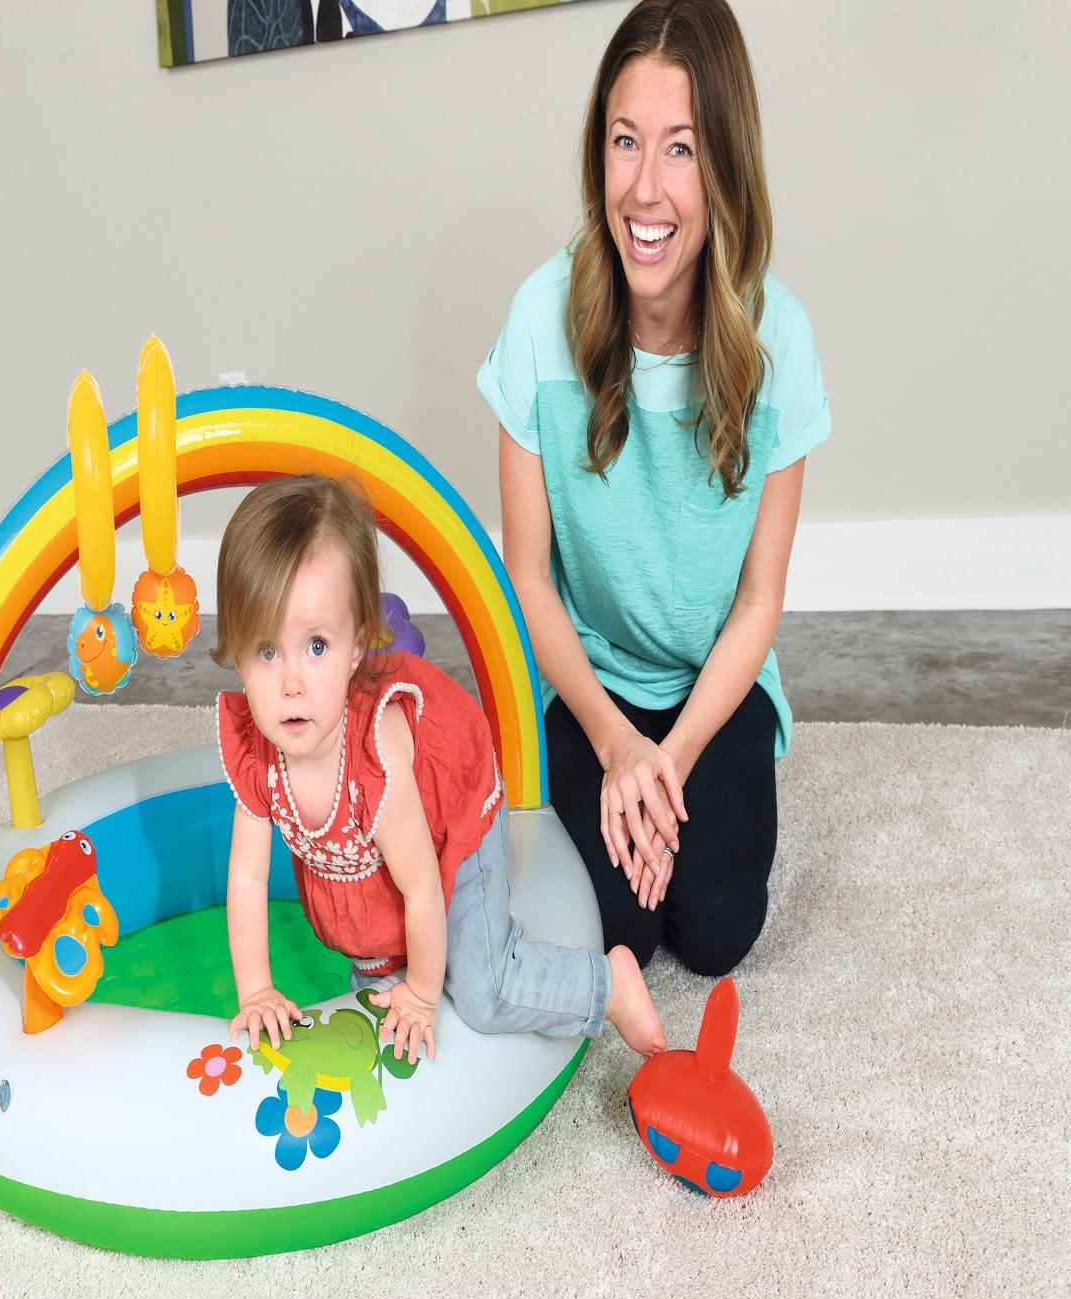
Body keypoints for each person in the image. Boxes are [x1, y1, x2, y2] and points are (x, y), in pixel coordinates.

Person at [477, 0, 831, 975]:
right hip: (588, 681)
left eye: (680, 149)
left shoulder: (780, 342)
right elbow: (528, 576)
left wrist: (667, 762)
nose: (644, 187)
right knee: (613, 933)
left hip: (714, 684)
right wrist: (612, 740)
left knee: (714, 931)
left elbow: (757, 601)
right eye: (625, 141)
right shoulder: (540, 321)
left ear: (725, 165)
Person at [211, 473, 666, 1065]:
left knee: (482, 992)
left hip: (451, 825)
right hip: (381, 871)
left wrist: (423, 998)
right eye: (267, 651)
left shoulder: (375, 757)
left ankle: (607, 985)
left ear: (356, 646)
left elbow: (422, 889)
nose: (291, 684)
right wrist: (257, 992)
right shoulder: (258, 755)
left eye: (316, 646)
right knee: (377, 999)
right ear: (237, 653)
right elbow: (247, 879)